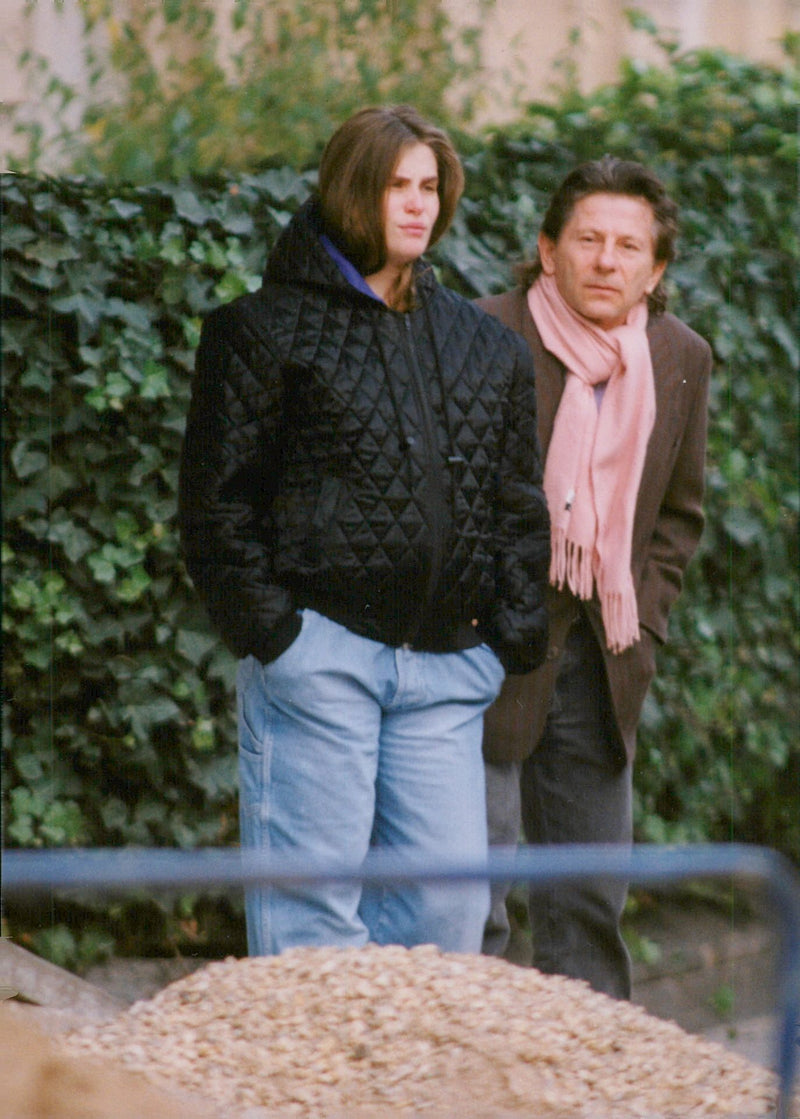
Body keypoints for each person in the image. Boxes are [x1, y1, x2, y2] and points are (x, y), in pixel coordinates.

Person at [178, 105, 550, 957]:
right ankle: (314, 1090)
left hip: (445, 674)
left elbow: (517, 501)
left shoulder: (481, 343)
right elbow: (215, 509)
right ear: (353, 191)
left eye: (430, 186)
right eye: (396, 185)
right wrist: (279, 638)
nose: (418, 204)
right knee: (312, 935)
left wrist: (505, 637)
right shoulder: (259, 331)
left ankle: (393, 1089)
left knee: (447, 918)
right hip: (320, 664)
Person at [479, 156, 712, 997]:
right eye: (587, 240)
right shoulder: (485, 331)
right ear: (549, 250)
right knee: (476, 897)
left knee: (587, 903)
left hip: (605, 658)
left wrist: (639, 623)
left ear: (655, 268)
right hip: (490, 653)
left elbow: (678, 517)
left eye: (628, 246)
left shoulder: (681, 356)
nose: (606, 260)